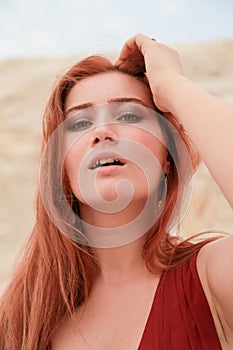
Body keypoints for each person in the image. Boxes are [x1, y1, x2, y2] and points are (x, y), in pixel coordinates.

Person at [0, 33, 232, 349]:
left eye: (129, 115)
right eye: (80, 123)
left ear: (167, 156)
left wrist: (173, 86)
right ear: (61, 166)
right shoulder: (20, 313)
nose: (102, 132)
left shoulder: (212, 278)